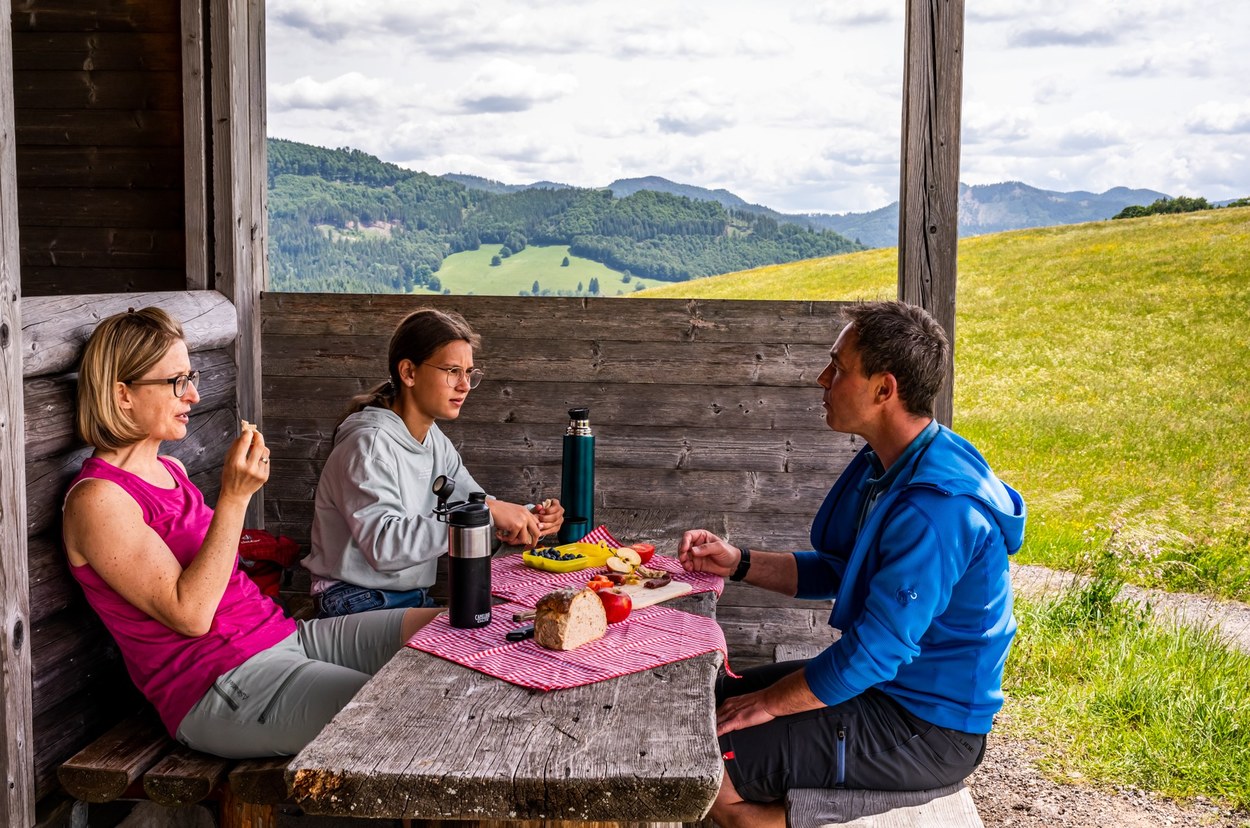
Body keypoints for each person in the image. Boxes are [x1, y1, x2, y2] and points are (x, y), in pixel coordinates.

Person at [679, 301, 1025, 828]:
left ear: (884, 389)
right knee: (707, 700)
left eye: (838, 367)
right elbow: (841, 569)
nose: (823, 379)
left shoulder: (936, 509)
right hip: (886, 687)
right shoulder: (894, 464)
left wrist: (769, 704)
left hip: (928, 724)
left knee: (710, 763)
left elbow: (875, 654)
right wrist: (738, 562)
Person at [61, 307, 441, 759]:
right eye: (176, 382)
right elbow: (190, 615)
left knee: (452, 628)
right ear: (122, 394)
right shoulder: (98, 500)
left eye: (191, 377)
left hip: (284, 638)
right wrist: (234, 497)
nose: (194, 395)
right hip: (221, 682)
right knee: (405, 712)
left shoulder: (171, 470)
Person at [303, 307, 564, 618]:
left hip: (410, 598)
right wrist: (489, 512)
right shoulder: (368, 445)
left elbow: (474, 503)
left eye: (469, 373)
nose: (464, 385)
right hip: (353, 599)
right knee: (479, 630)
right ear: (409, 373)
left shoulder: (435, 441)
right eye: (452, 371)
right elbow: (384, 547)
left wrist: (528, 517)